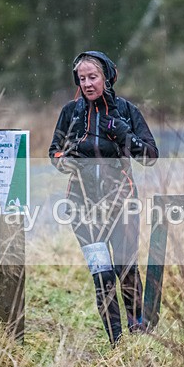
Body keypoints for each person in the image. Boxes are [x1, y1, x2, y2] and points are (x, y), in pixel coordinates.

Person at [49, 51, 159, 345]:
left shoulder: (126, 110)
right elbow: (54, 151)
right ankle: (116, 340)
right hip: (81, 206)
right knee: (102, 275)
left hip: (123, 204)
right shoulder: (70, 112)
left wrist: (121, 131)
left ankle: (138, 331)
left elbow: (150, 156)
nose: (87, 83)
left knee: (126, 269)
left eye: (92, 77)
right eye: (82, 78)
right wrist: (62, 161)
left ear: (107, 77)